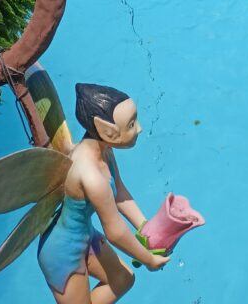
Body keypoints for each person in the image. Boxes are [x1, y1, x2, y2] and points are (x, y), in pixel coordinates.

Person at [36, 83, 170, 298]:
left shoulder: (104, 150)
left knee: (123, 279)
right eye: (131, 124)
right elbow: (115, 232)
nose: (140, 129)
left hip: (85, 235)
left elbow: (120, 194)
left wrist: (145, 228)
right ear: (107, 130)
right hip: (61, 252)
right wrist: (149, 260)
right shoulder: (91, 176)